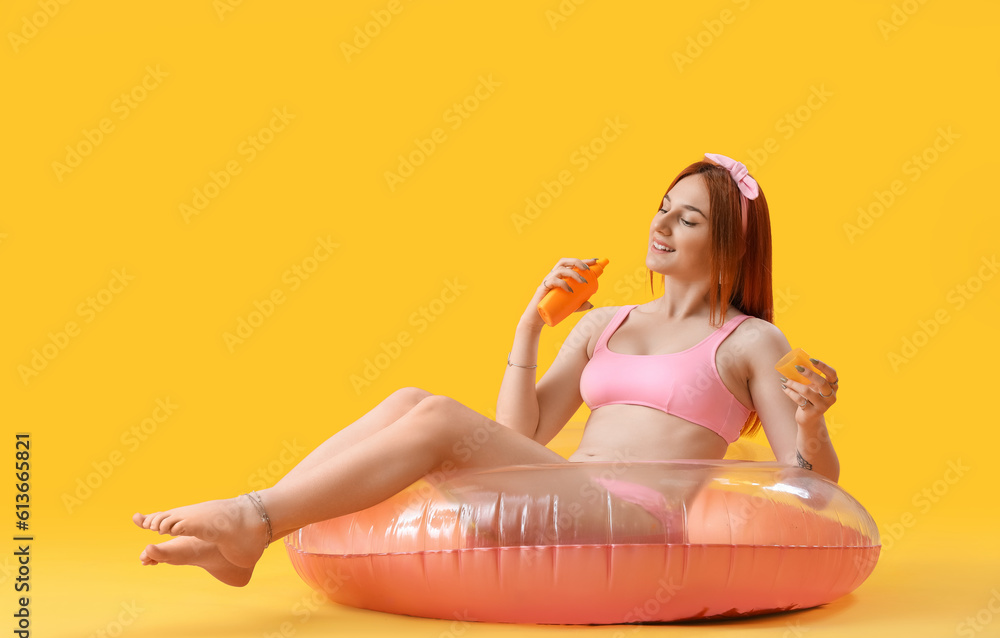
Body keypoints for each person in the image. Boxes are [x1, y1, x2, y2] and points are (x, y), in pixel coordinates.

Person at [132, 152, 840, 587]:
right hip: (562, 492)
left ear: (732, 242)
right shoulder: (604, 323)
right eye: (661, 208)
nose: (659, 225)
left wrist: (813, 422)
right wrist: (530, 325)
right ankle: (252, 531)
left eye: (686, 219)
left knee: (437, 414)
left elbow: (809, 490)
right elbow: (518, 434)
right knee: (411, 396)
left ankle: (251, 519)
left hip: (637, 520)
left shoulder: (754, 342)